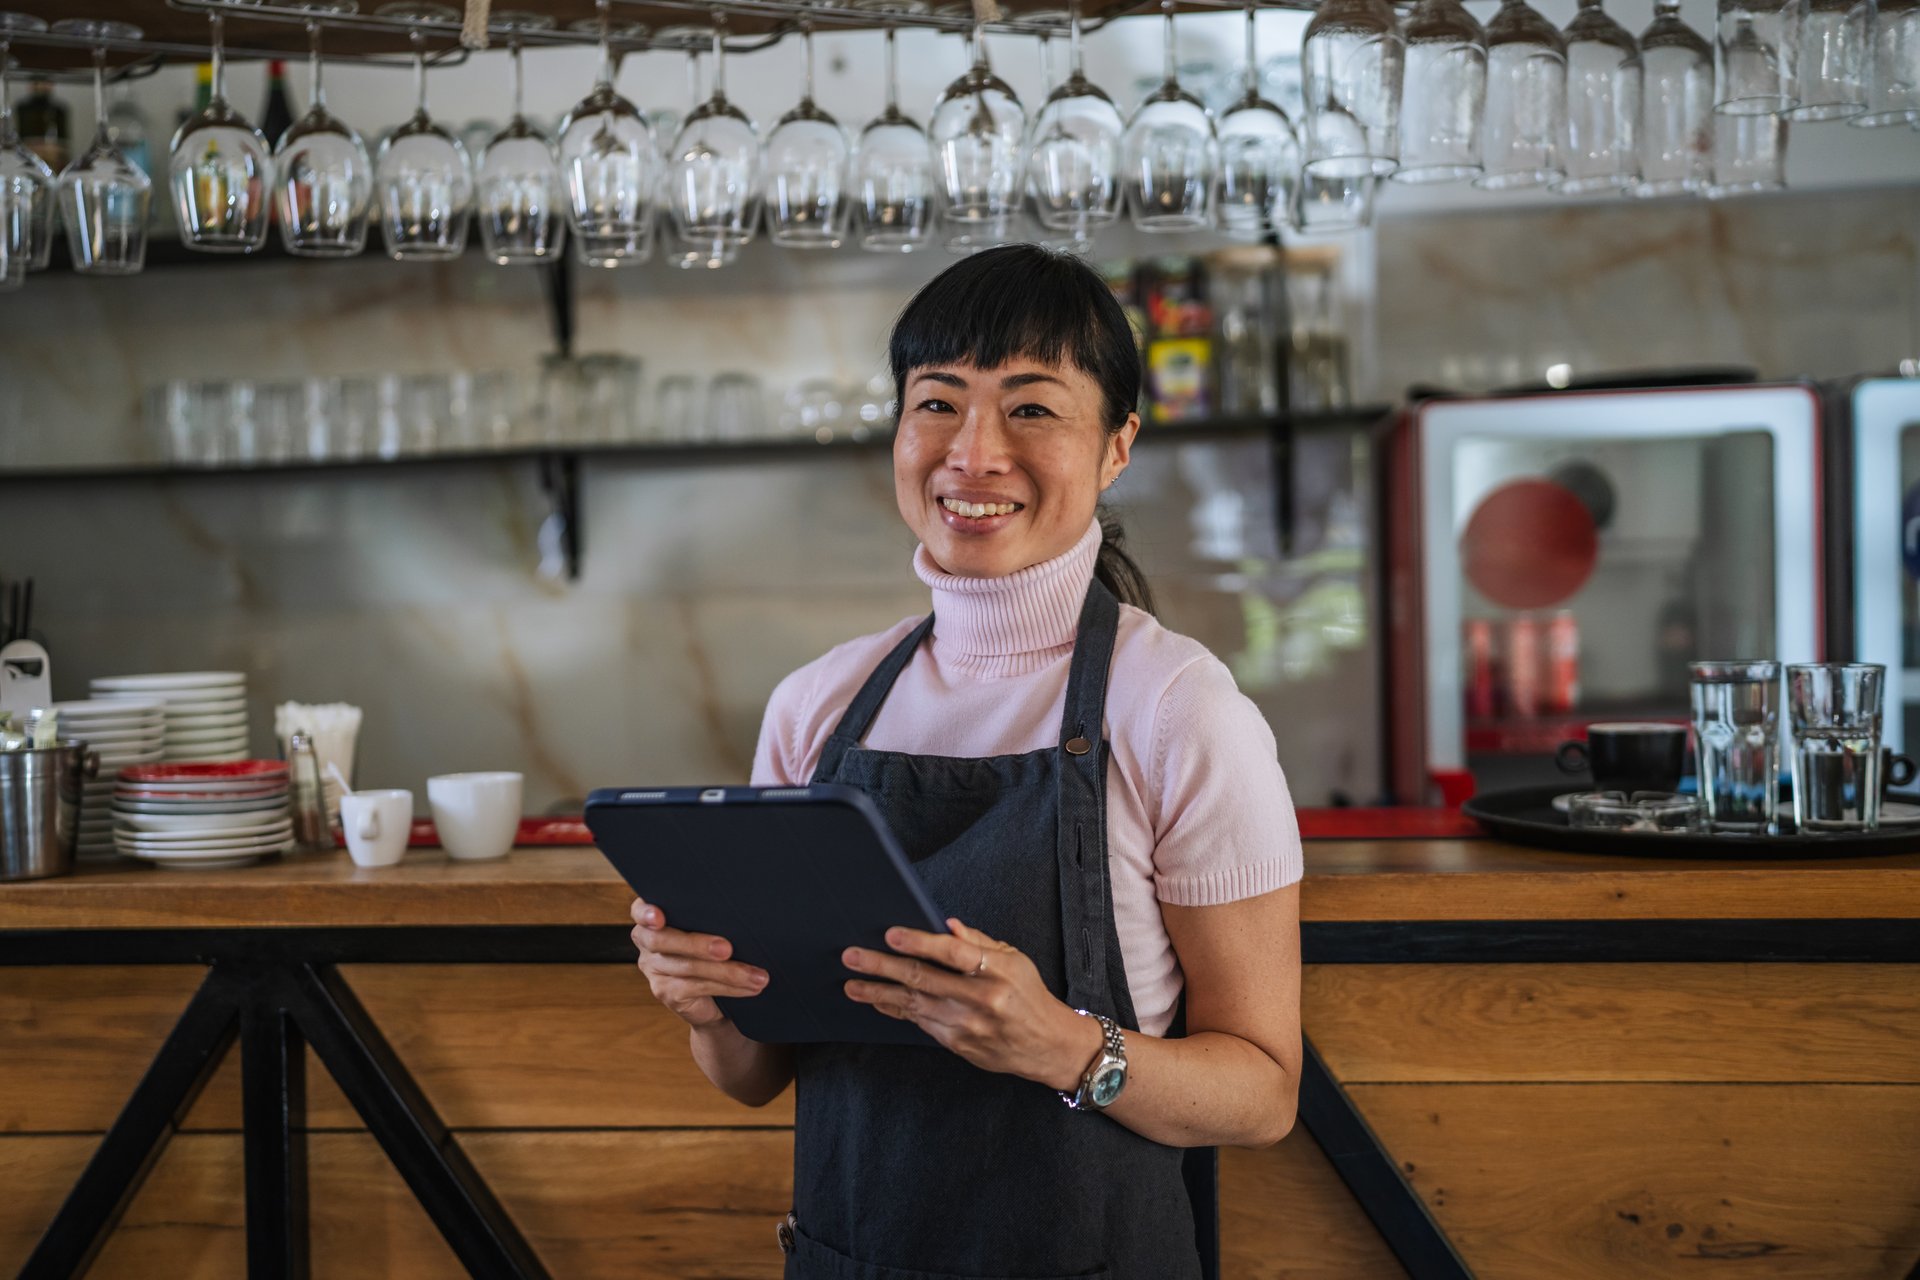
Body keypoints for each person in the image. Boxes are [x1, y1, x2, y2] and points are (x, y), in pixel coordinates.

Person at [629, 244, 1303, 1279]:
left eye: (1031, 408)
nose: (973, 451)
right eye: (937, 402)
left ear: (1118, 444)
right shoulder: (817, 705)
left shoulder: (1177, 705)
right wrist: (708, 997)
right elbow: (754, 1074)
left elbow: (1262, 1092)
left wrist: (1064, 1043)